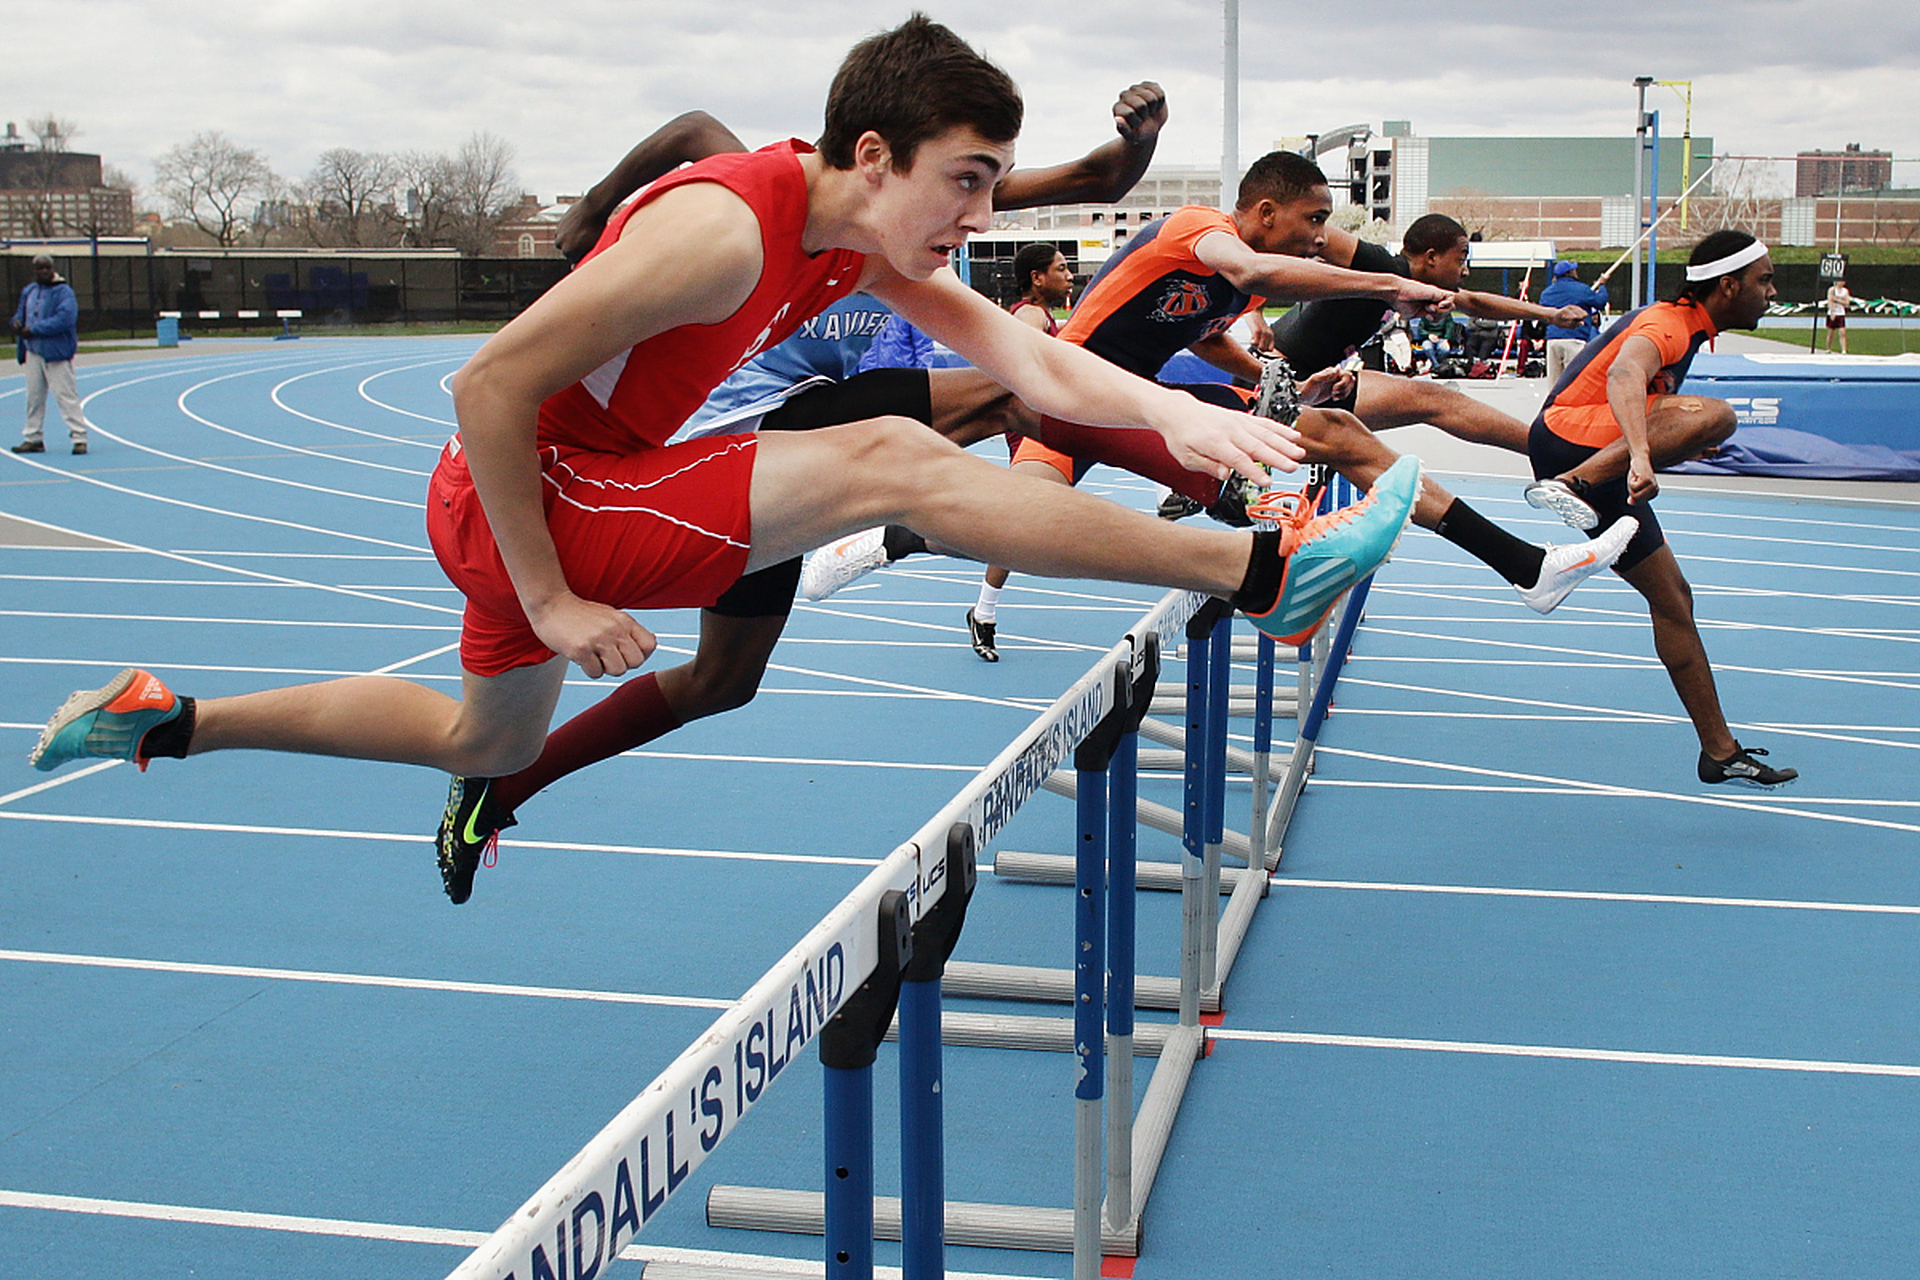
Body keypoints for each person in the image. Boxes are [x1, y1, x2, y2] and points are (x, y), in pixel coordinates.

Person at [28, 19, 1422, 905]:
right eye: (969, 180)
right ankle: (1258, 572)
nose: (985, 212)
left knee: (477, 742)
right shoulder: (728, 231)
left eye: (997, 183)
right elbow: (484, 382)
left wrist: (1176, 419)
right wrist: (559, 601)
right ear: (873, 155)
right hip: (539, 492)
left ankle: (165, 717)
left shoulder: (857, 231)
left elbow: (1026, 359)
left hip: (545, 499)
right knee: (885, 453)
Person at [808, 157, 1633, 621]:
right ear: (1265, 211)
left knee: (1018, 521)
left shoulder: (1234, 290)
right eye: (1312, 222)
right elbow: (1252, 267)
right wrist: (1383, 287)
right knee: (1331, 443)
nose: (1321, 238)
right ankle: (1525, 568)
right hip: (1068, 392)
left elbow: (1200, 332)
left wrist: (1262, 371)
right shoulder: (1199, 229)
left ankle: (878, 542)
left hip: (1103, 405)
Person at [1522, 229, 1796, 787]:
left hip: (1579, 441)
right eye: (1764, 280)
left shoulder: (1693, 327)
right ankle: (1577, 484)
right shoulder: (1669, 321)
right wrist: (1641, 456)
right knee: (1718, 414)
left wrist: (1674, 434)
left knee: (1674, 598)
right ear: (1728, 285)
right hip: (1573, 446)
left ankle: (1719, 750)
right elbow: (1626, 373)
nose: (1772, 291)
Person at [1259, 214, 1595, 455]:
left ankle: (1551, 452)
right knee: (1435, 401)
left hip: (1315, 382)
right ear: (1431, 257)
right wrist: (1253, 309)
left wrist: (1550, 314)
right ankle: (1553, 452)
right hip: (1272, 377)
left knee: (1369, 441)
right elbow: (1301, 229)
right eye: (1461, 258)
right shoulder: (1378, 263)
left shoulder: (1417, 289)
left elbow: (1476, 302)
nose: (1465, 270)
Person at [969, 242, 1076, 661]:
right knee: (1018, 524)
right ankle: (983, 611)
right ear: (1037, 277)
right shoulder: (1029, 315)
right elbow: (1025, 367)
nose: (1069, 276)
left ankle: (984, 611)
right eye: (1061, 269)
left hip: (1052, 426)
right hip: (1035, 430)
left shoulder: (1044, 315)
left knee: (1028, 526)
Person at [10, 255, 90, 455]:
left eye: (46, 268)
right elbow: (21, 313)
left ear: (52, 269)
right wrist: (17, 323)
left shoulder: (64, 292)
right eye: (38, 268)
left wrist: (36, 329)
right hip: (33, 351)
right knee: (34, 397)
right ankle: (33, 437)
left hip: (56, 353)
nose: (42, 272)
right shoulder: (30, 291)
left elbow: (65, 318)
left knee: (66, 396)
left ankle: (79, 436)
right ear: (34, 270)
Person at [1540, 259, 1610, 386]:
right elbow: (1600, 302)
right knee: (1574, 380)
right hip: (1575, 338)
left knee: (1554, 381)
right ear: (1569, 273)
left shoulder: (1547, 293)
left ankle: (1553, 404)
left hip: (1553, 339)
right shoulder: (1582, 290)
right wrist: (1602, 286)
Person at [1825, 276, 1852, 354]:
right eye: (1841, 281)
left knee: (1842, 332)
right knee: (1831, 333)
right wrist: (1832, 312)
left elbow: (1847, 303)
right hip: (1832, 313)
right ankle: (1828, 348)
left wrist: (1837, 299)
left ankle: (1844, 350)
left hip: (1841, 313)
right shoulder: (1832, 290)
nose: (1842, 283)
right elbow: (1830, 300)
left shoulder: (1845, 291)